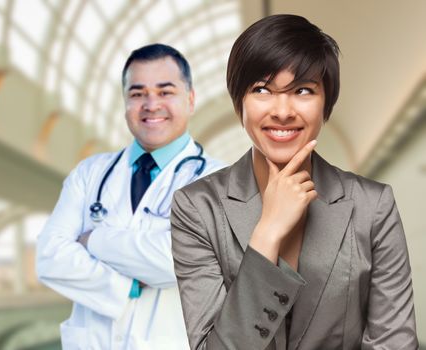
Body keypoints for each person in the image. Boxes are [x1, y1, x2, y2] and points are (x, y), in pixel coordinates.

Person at [171, 14, 418, 350]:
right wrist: (267, 233)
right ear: (239, 102)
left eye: (302, 90)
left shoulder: (373, 206)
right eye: (262, 89)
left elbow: (393, 342)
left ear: (325, 102)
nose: (283, 110)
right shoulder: (197, 208)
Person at [36, 43, 224, 349]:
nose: (151, 105)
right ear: (125, 102)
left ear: (190, 100)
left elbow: (178, 260)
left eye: (165, 92)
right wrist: (128, 286)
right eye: (138, 94)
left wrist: (91, 241)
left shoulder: (218, 181)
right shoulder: (89, 174)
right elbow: (49, 257)